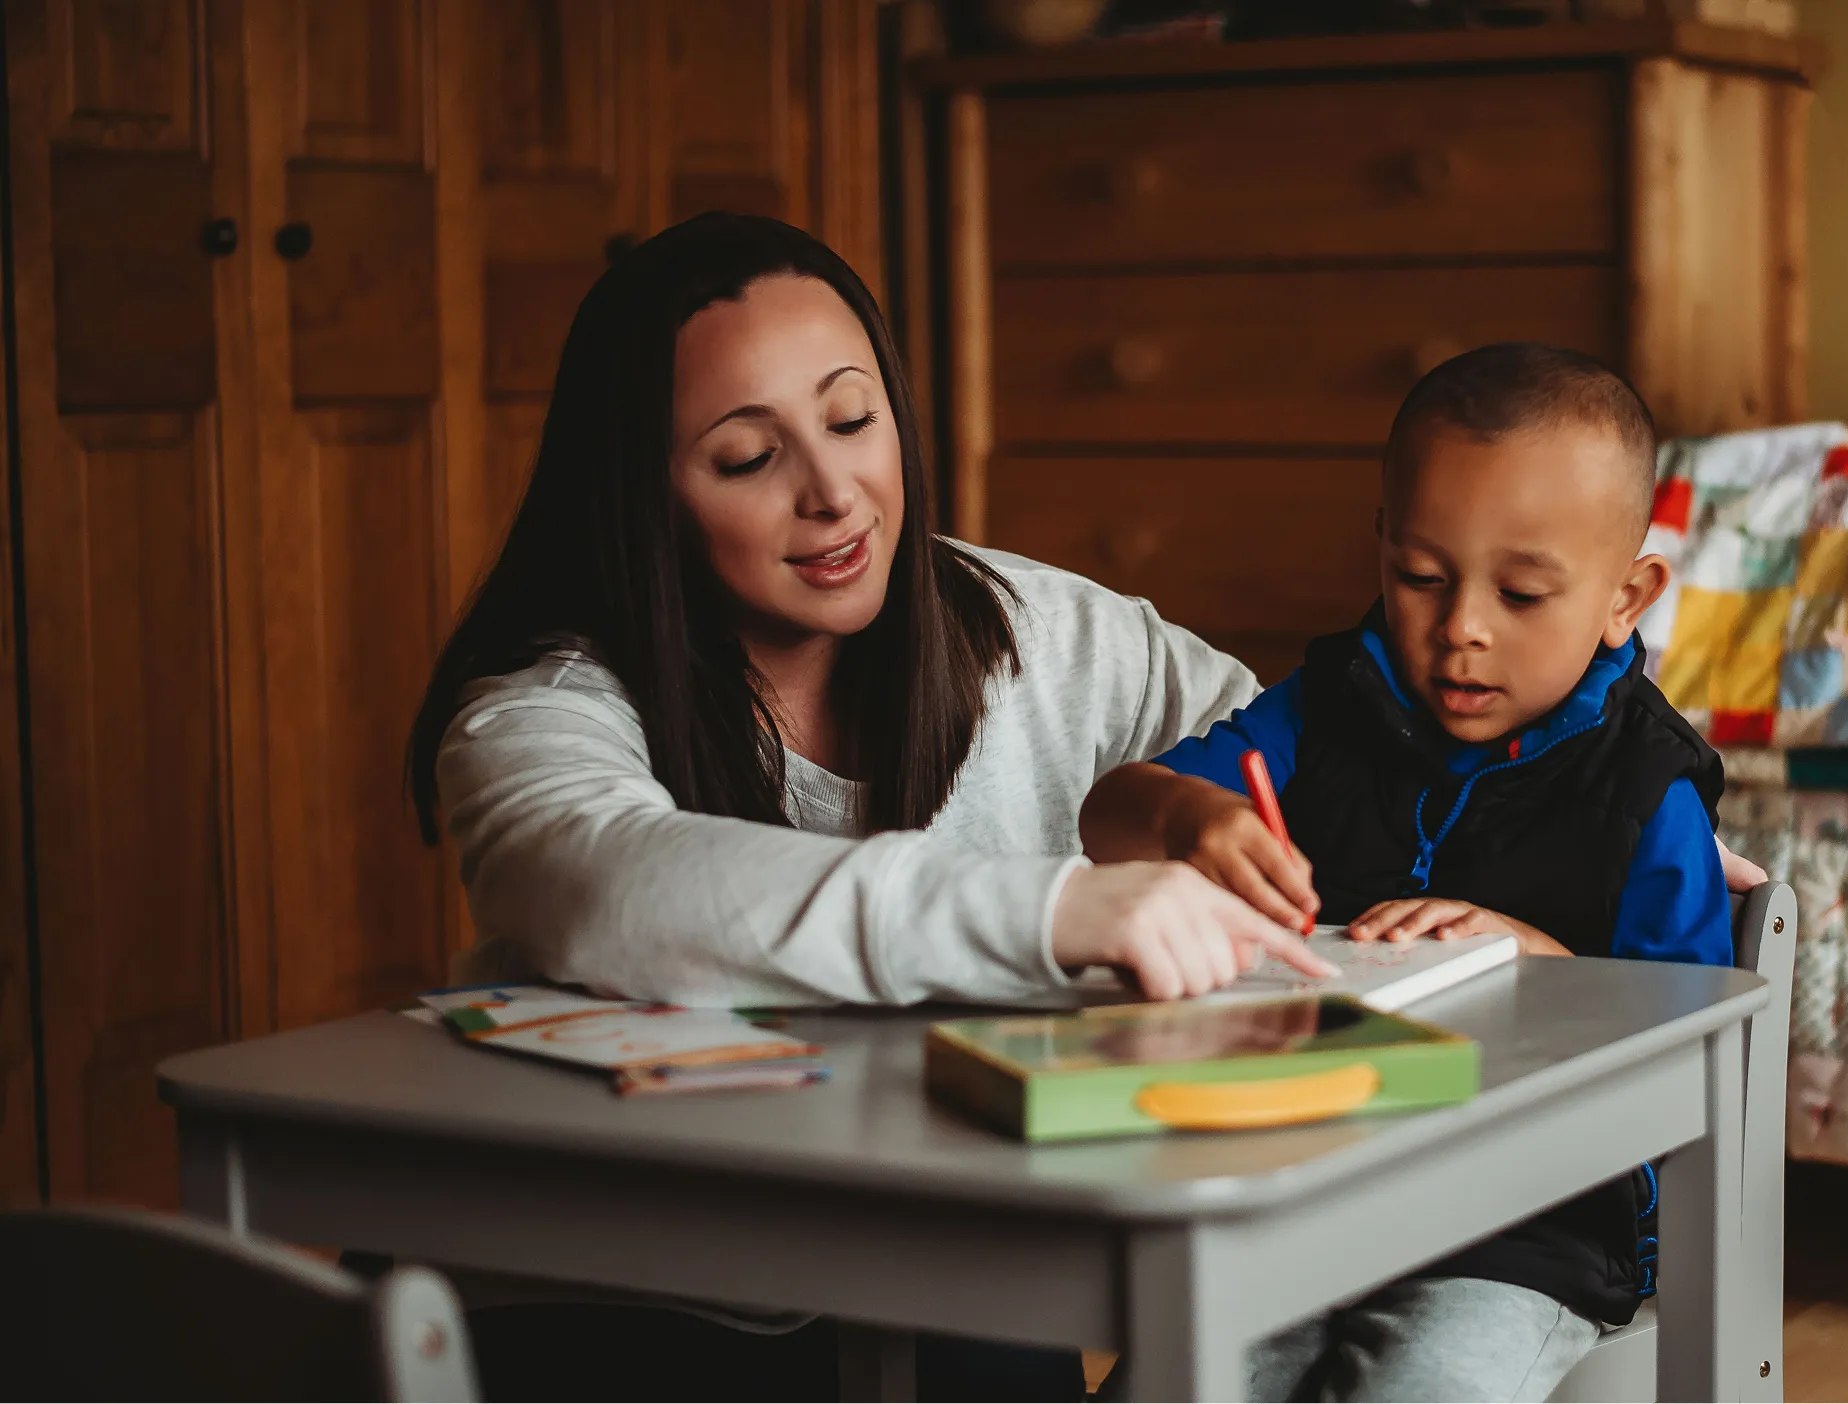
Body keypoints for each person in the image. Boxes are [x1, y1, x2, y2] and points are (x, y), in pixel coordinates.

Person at [407, 212, 1766, 1399]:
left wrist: (1590, 815)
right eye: (748, 457)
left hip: (951, 1272)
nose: (832, 492)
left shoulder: (1030, 631)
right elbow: (613, 883)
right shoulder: (544, 713)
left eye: (852, 416)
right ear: (642, 489)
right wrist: (1066, 905)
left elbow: (1322, 759)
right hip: (608, 1298)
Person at [1079, 343, 1733, 1402]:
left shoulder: (1644, 790)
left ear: (1625, 598)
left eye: (1521, 594)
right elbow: (1106, 818)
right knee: (1172, 1378)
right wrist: (1181, 809)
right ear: (1380, 546)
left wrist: (1535, 959)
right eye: (1420, 579)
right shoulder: (1326, 705)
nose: (1459, 630)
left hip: (1528, 1224)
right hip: (1304, 1179)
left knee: (1420, 1388)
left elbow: (1696, 1049)